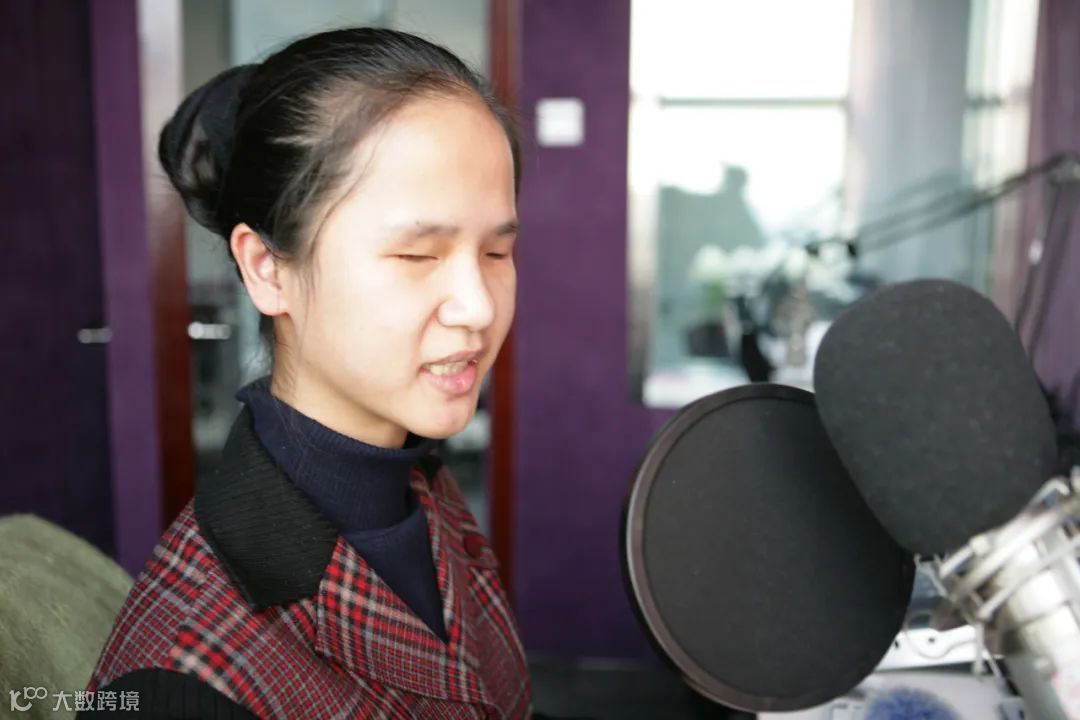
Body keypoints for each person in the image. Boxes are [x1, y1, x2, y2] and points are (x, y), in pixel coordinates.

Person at [82, 27, 530, 719]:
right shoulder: (180, 682)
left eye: (496, 253)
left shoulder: (425, 491)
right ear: (268, 268)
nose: (479, 307)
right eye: (418, 255)